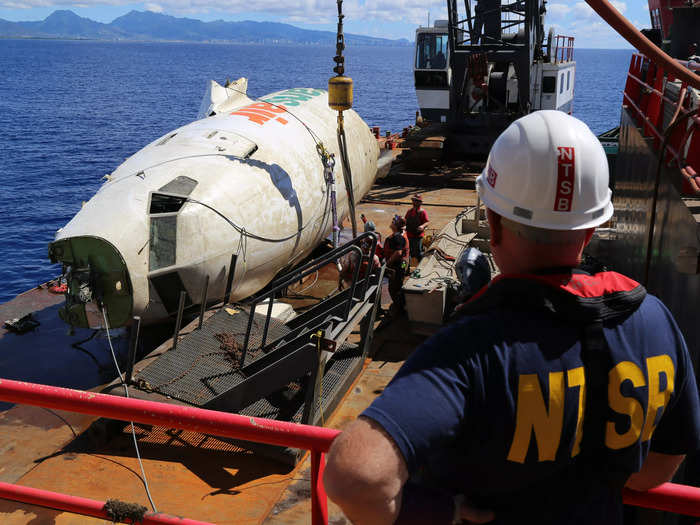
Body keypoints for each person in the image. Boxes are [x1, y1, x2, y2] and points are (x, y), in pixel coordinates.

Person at [323, 111, 700, 524]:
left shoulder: (471, 349)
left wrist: (440, 510)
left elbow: (356, 478)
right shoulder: (654, 320)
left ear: (494, 223)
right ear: (592, 228)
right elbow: (659, 468)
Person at [383, 215, 409, 314]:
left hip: (397, 266)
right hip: (402, 264)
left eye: (393, 221)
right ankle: (400, 305)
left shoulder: (398, 237)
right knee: (398, 284)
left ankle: (400, 309)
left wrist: (388, 263)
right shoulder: (400, 234)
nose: (391, 222)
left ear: (396, 225)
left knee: (393, 288)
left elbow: (398, 253)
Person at [405, 194, 430, 264]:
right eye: (414, 200)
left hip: (417, 237)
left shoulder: (422, 212)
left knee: (418, 253)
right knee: (407, 253)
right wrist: (403, 226)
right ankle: (406, 268)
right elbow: (405, 221)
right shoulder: (409, 211)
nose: (414, 202)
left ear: (420, 202)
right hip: (408, 236)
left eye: (416, 201)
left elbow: (427, 222)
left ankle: (421, 267)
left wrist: (422, 226)